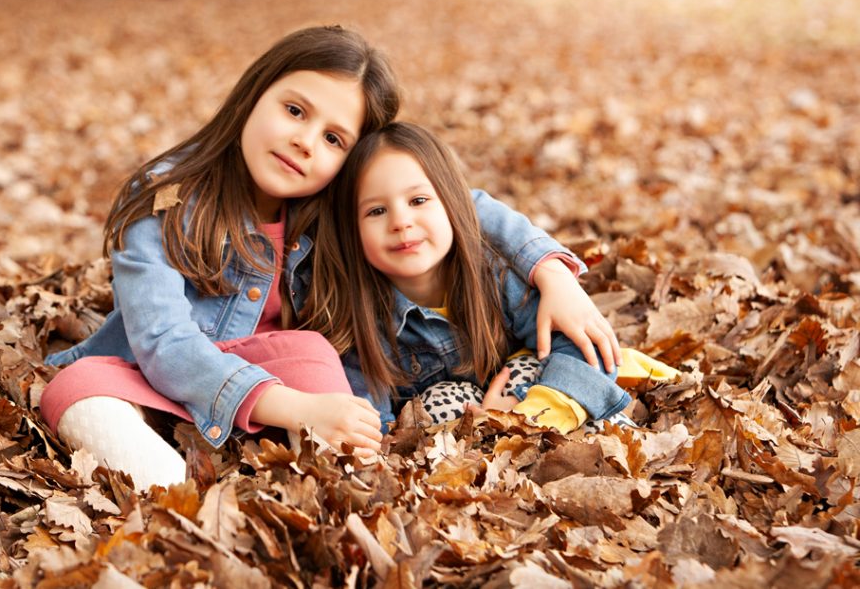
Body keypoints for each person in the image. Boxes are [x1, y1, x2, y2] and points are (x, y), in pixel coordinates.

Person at [38, 26, 627, 490]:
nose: (304, 142)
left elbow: (455, 203)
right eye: (295, 111)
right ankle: (164, 485)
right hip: (165, 378)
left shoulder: (332, 208)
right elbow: (163, 343)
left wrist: (552, 273)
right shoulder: (169, 198)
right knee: (76, 383)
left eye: (333, 139)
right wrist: (299, 409)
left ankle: (269, 475)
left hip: (290, 385)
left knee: (321, 363)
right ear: (254, 93)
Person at [305, 122, 677, 434]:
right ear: (352, 232)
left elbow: (585, 348)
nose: (401, 222)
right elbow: (372, 427)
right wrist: (475, 429)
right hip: (453, 432)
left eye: (418, 201)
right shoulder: (357, 321)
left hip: (528, 400)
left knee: (537, 371)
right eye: (377, 211)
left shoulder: (496, 275)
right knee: (437, 405)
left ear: (453, 204)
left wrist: (519, 420)